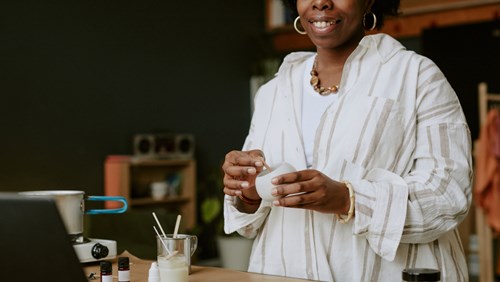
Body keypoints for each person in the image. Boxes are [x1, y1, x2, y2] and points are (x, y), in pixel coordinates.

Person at [222, 0, 473, 281]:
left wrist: (348, 199)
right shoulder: (274, 90)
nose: (320, 1)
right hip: (281, 273)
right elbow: (248, 220)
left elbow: (448, 196)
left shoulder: (417, 77)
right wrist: (247, 191)